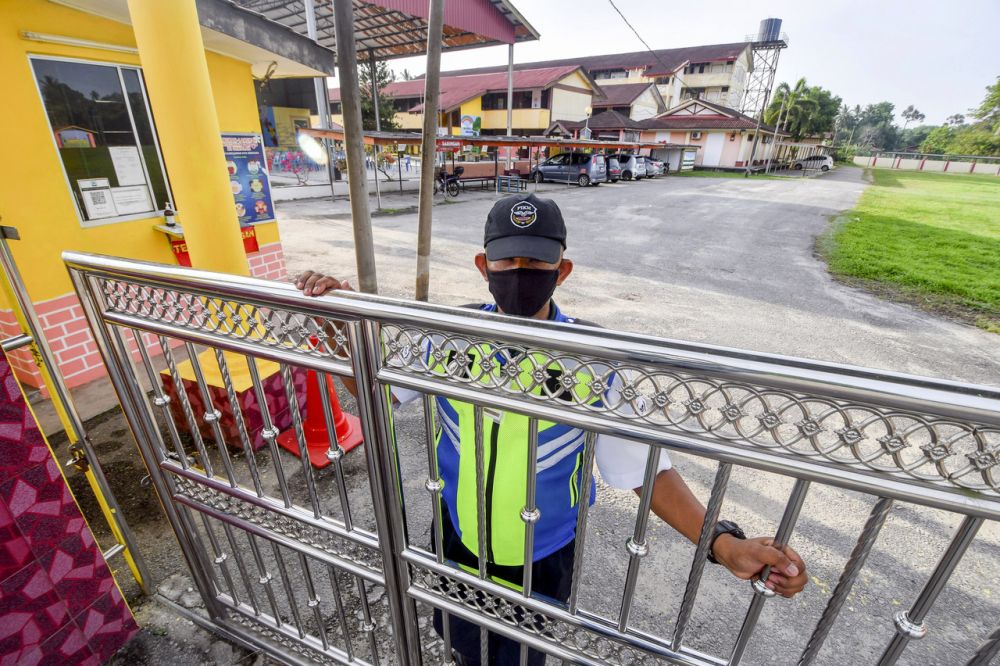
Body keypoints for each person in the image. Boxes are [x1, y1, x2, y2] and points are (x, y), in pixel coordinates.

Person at [296, 193, 808, 665]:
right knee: (460, 642)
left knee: (519, 656)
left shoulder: (595, 362)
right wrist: (338, 325)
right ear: (483, 266)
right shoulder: (447, 340)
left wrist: (724, 545)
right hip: (455, 537)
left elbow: (644, 472)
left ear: (561, 271)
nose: (521, 273)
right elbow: (377, 391)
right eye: (508, 260)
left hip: (542, 554)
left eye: (537, 263)